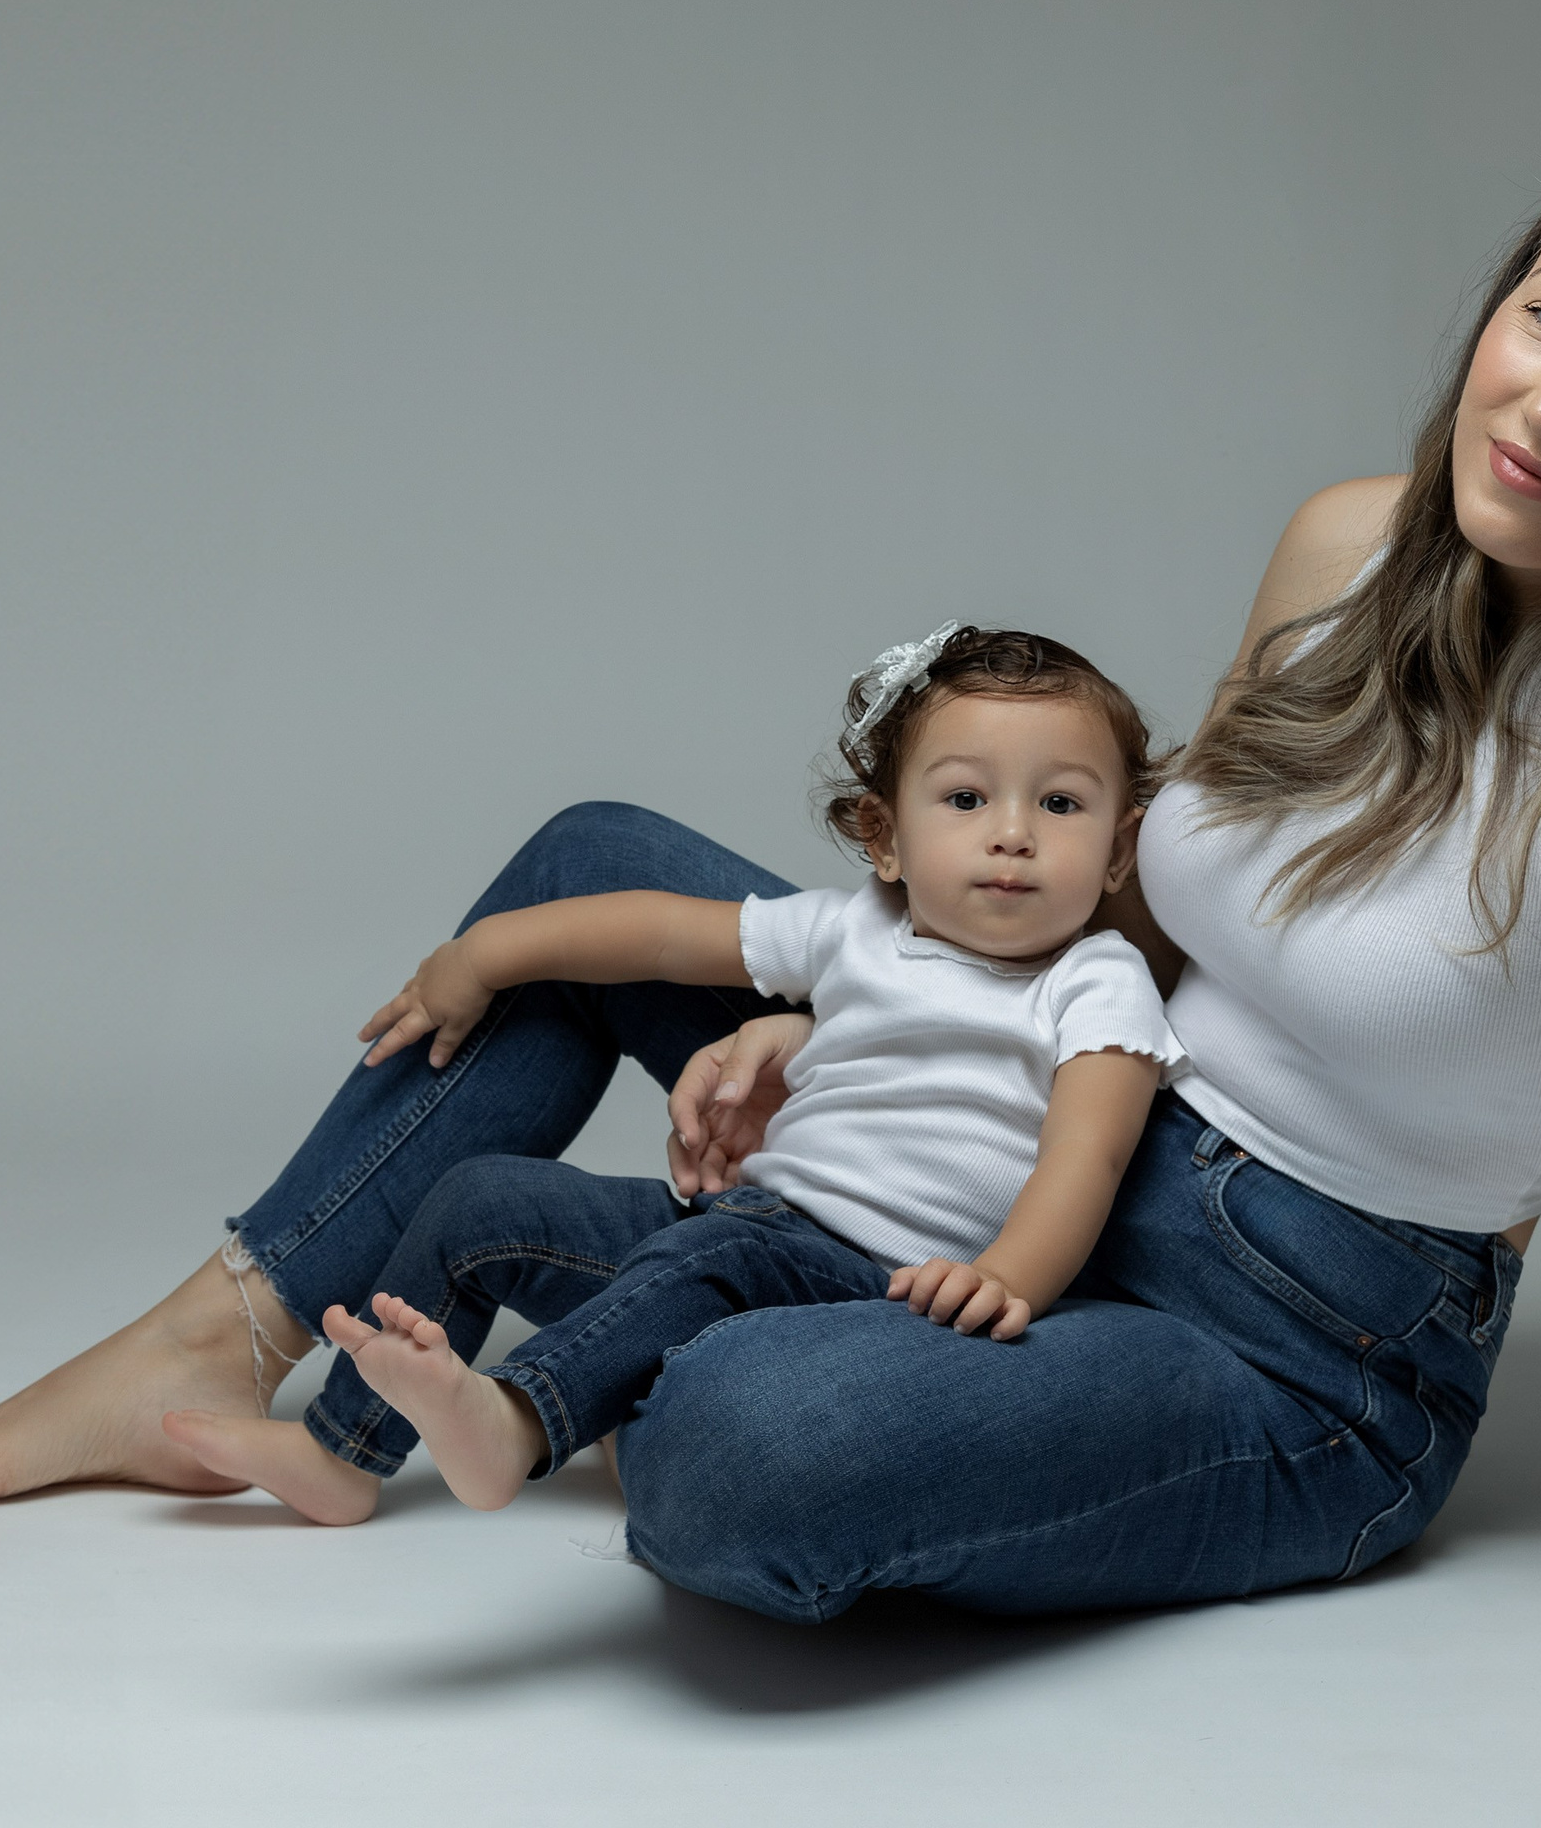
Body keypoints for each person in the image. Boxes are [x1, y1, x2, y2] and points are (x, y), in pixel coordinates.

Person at [0, 140, 1541, 1632]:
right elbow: (1144, 916)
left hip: (1286, 1341)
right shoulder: (1351, 542)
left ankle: (666, 1329)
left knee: (747, 1475)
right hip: (1060, 1098)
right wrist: (853, 1011)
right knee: (590, 871)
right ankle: (228, 1333)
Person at [147, 625, 1175, 1525]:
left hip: (881, 1289)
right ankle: (343, 1453)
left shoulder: (1095, 981)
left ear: (1120, 851)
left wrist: (1006, 1280)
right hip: (755, 1235)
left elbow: (1085, 1158)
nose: (1012, 832)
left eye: (1060, 803)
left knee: (704, 1263)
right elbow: (661, 934)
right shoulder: (852, 931)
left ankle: (515, 1421)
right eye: (964, 796)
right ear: (884, 836)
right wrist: (486, 953)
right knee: (477, 1201)